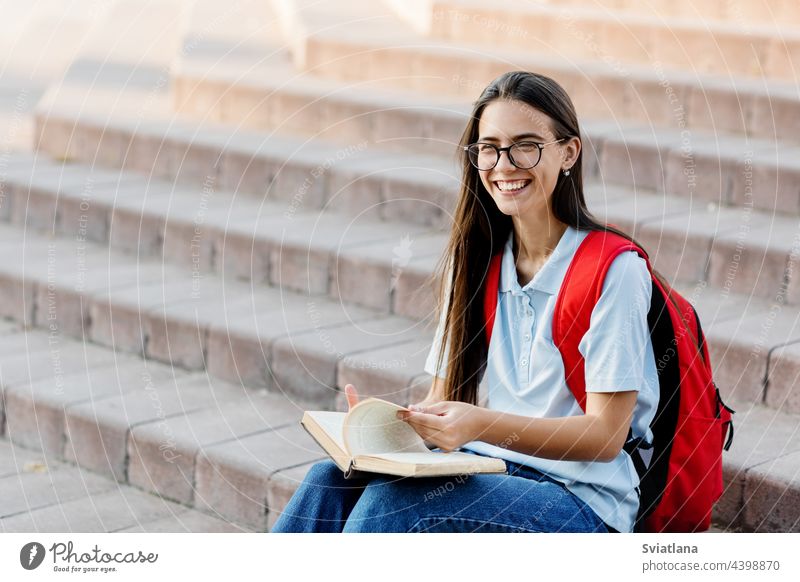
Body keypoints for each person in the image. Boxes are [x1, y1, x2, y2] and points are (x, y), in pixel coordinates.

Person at [271, 70, 662, 534]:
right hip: (485, 470)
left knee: (389, 507)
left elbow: (605, 436)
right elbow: (444, 399)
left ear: (568, 153)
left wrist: (479, 425)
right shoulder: (476, 263)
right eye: (489, 147)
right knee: (328, 481)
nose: (504, 164)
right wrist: (388, 426)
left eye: (526, 145)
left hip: (579, 503)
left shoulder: (612, 271)